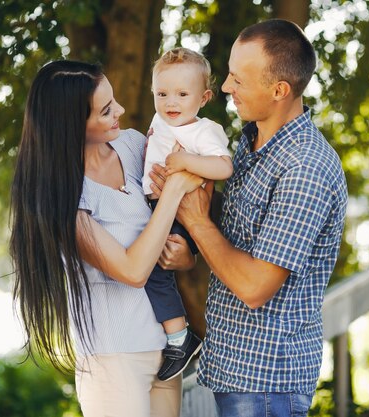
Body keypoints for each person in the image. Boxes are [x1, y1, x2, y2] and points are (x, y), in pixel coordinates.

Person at [150, 19, 348, 416]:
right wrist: (190, 252)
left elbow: (256, 286)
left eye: (238, 80)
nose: (224, 88)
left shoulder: (304, 167)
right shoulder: (250, 144)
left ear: (279, 90)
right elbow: (234, 240)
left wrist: (197, 222)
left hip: (267, 384)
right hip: (234, 369)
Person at [9, 60, 203, 417]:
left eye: (113, 101)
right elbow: (132, 270)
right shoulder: (62, 196)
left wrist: (184, 256)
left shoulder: (132, 146)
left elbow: (177, 225)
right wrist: (175, 187)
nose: (121, 111)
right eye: (106, 110)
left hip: (166, 350)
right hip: (114, 359)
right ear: (71, 126)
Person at [141, 47, 234, 382]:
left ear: (205, 97)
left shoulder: (202, 131)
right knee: (148, 267)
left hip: (184, 212)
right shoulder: (160, 122)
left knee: (151, 270)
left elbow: (223, 166)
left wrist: (184, 163)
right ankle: (172, 334)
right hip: (157, 207)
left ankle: (180, 338)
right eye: (162, 94)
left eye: (182, 94)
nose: (171, 102)